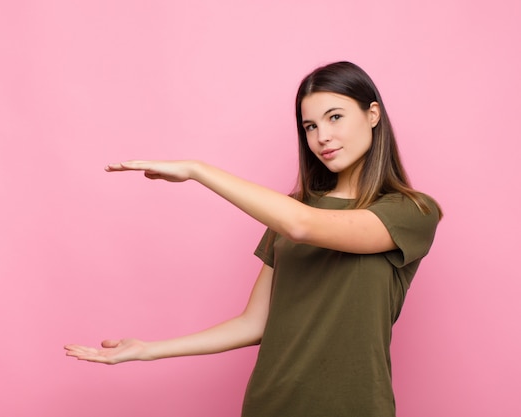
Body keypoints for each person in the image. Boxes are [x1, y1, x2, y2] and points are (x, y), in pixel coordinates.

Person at [64, 61, 441, 417]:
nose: (322, 136)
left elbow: (304, 226)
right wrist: (148, 350)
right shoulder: (290, 208)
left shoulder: (411, 211)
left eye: (335, 117)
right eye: (309, 126)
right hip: (271, 402)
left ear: (372, 115)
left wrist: (198, 170)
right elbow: (255, 323)